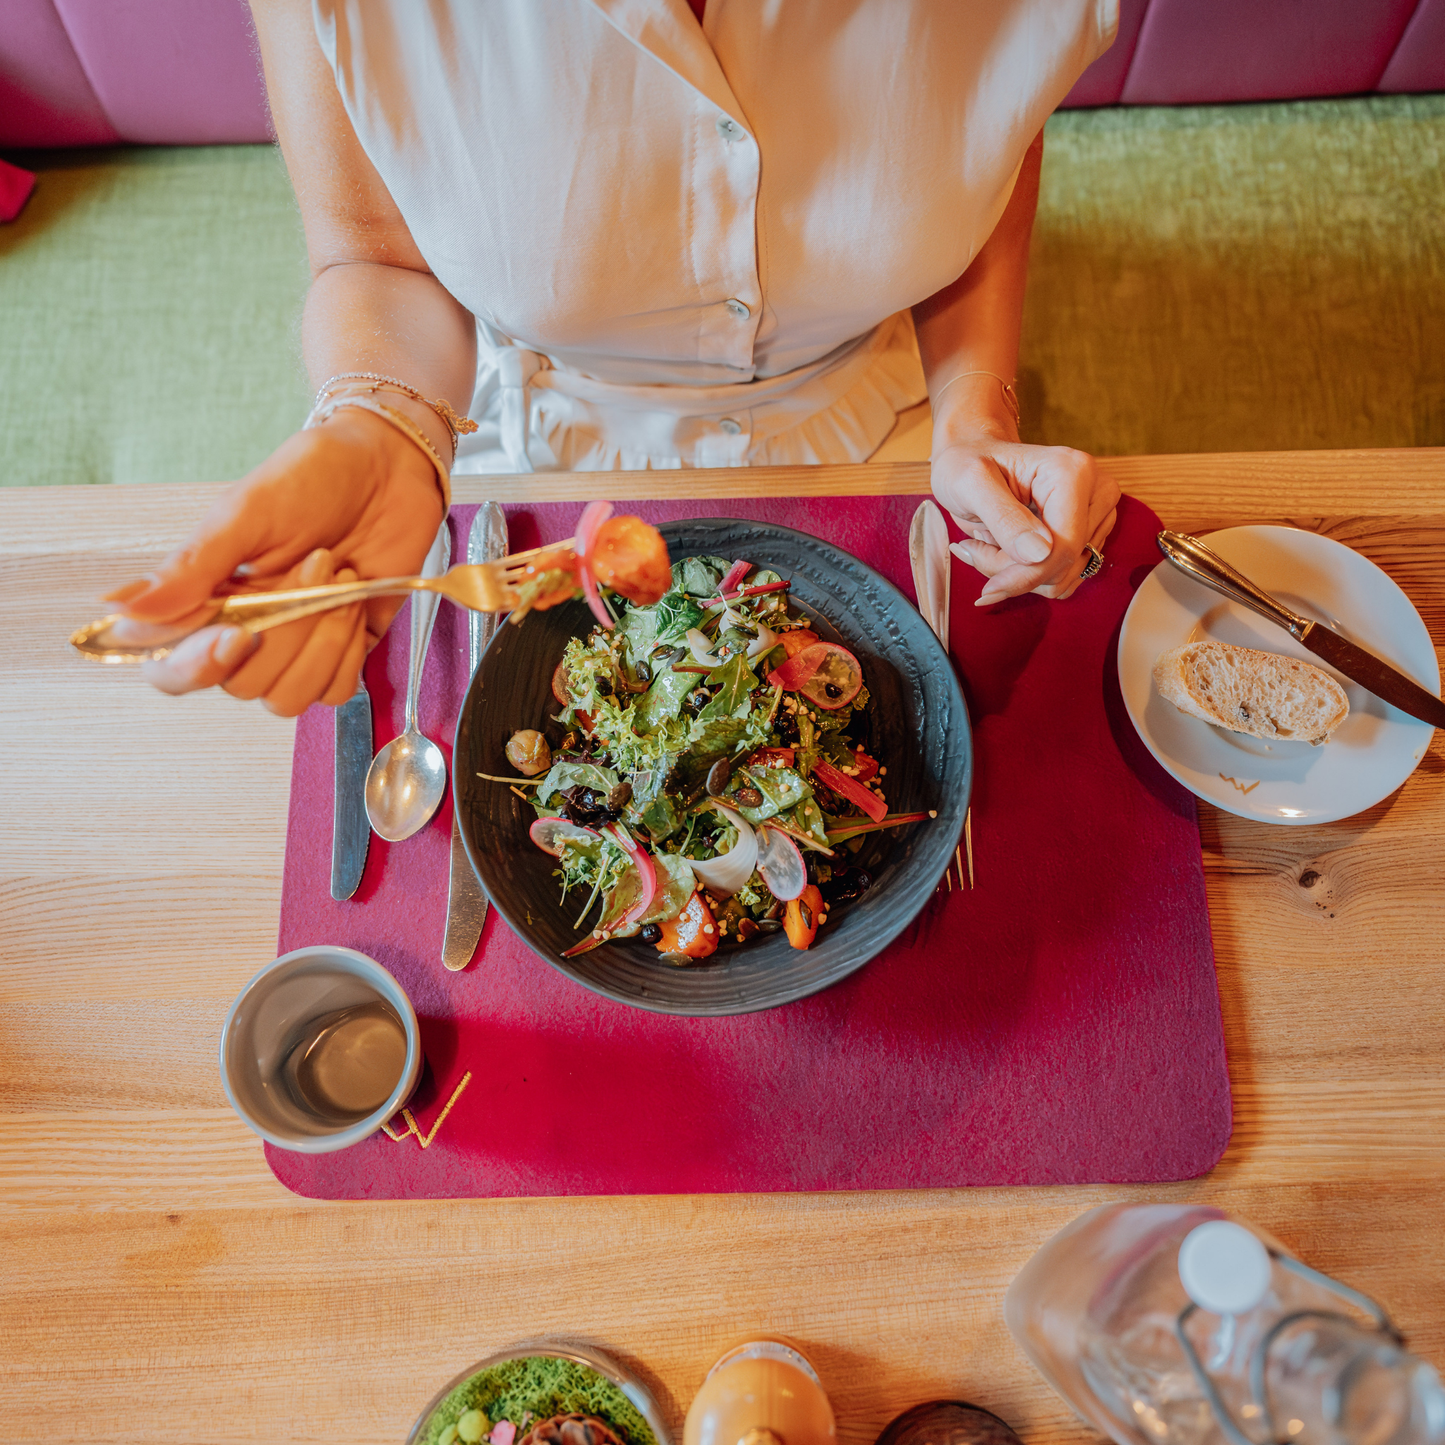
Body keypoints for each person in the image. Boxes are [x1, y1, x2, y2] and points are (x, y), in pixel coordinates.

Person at [109, 0, 1122, 717]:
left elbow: (981, 144)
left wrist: (975, 411)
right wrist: (384, 421)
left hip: (880, 427)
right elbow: (376, 258)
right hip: (524, 450)